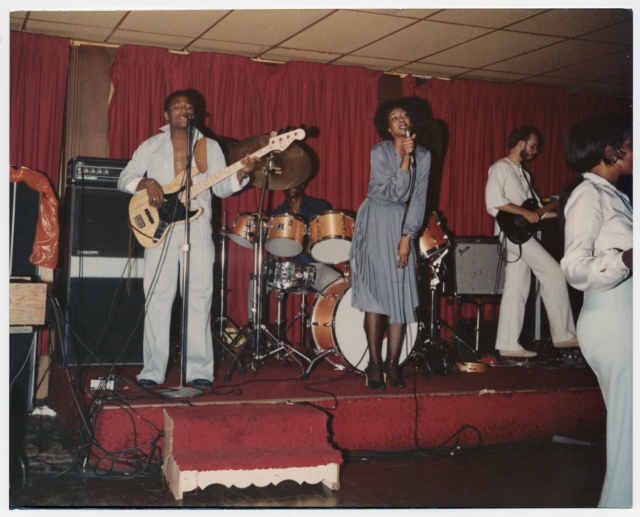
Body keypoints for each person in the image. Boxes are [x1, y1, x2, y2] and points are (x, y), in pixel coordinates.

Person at [118, 90, 258, 389]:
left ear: (197, 113)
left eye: (188, 106)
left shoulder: (209, 146)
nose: (184, 108)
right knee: (157, 298)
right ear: (166, 114)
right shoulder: (151, 145)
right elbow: (124, 178)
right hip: (160, 229)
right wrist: (146, 182)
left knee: (199, 297)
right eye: (177, 105)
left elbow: (220, 189)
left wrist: (242, 174)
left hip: (196, 229)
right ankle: (152, 371)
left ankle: (199, 371)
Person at [560, 112, 632, 508]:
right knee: (629, 436)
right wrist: (627, 261)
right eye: (632, 141)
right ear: (611, 150)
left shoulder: (617, 195)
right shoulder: (589, 195)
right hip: (614, 317)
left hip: (626, 314)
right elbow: (573, 267)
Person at [350, 98, 431, 390]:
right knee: (375, 293)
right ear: (387, 126)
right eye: (395, 117)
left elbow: (417, 198)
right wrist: (406, 159)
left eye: (404, 115)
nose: (401, 119)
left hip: (401, 224)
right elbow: (392, 191)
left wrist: (407, 236)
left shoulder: (424, 154)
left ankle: (392, 362)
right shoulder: (380, 151)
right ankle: (373, 362)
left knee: (400, 294)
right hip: (375, 218)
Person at [485, 126, 578, 358]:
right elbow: (494, 201)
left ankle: (507, 343)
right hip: (511, 233)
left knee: (517, 287)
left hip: (523, 234)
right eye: (533, 145)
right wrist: (524, 214)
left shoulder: (525, 175)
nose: (536, 151)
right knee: (553, 273)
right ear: (520, 143)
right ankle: (563, 334)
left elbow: (539, 212)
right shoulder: (500, 167)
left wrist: (567, 213)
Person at [270, 183, 342, 293]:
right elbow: (274, 252)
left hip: (316, 268)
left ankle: (324, 310)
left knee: (339, 285)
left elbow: (328, 245)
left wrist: (312, 248)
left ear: (302, 184)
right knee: (257, 281)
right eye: (288, 181)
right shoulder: (277, 215)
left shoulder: (320, 207)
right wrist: (273, 252)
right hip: (287, 269)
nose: (292, 185)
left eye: (296, 180)